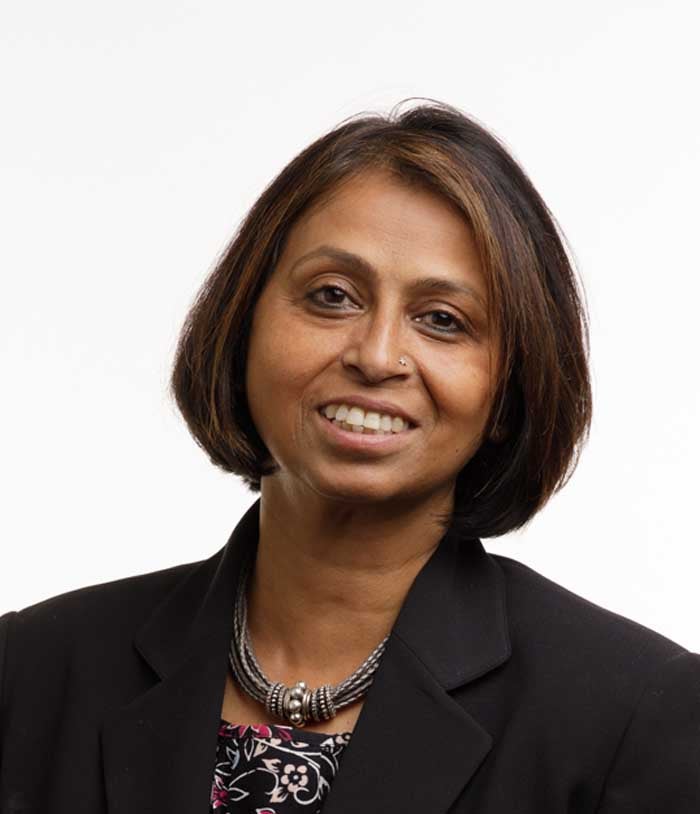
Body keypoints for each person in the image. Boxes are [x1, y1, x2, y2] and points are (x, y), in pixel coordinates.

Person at [0, 100, 698, 814]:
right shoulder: (30, 673)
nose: (375, 355)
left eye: (442, 321)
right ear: (242, 327)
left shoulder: (635, 720)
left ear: (509, 391)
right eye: (332, 296)